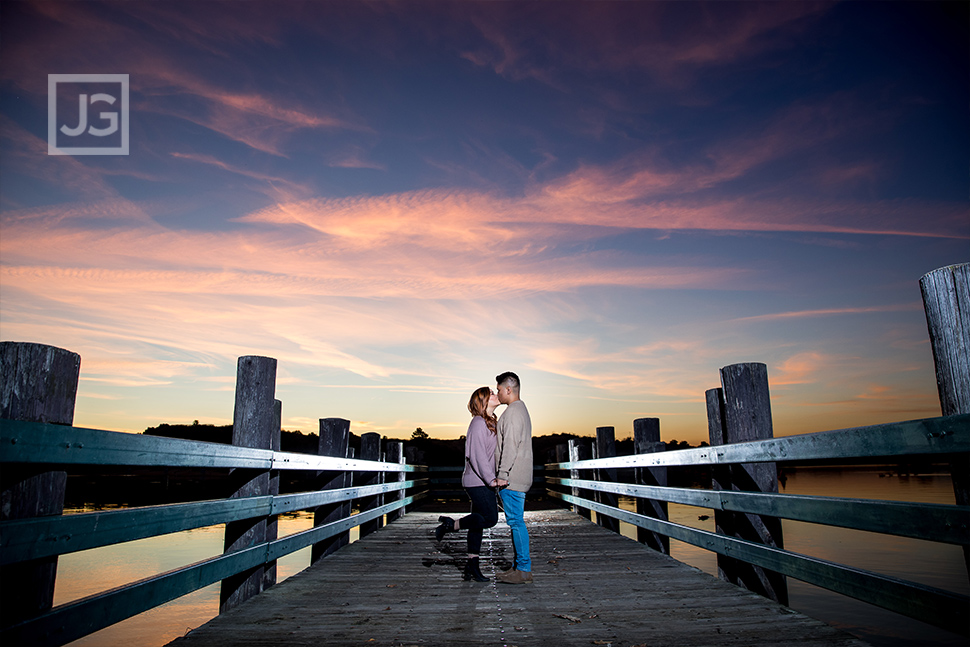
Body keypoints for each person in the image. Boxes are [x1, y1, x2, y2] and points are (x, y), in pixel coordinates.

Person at [434, 386, 500, 582]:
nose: (496, 395)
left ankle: (472, 565)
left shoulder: (490, 423)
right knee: (490, 519)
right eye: (491, 393)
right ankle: (450, 525)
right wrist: (492, 480)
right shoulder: (478, 423)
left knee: (477, 523)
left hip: (483, 480)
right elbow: (477, 456)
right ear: (484, 401)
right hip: (478, 481)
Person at [493, 371, 533, 584]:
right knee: (515, 521)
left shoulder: (513, 413)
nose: (498, 393)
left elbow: (510, 446)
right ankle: (518, 567)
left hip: (512, 477)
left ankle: (524, 569)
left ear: (509, 389)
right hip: (516, 476)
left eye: (499, 389)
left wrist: (502, 475)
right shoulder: (519, 410)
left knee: (516, 522)